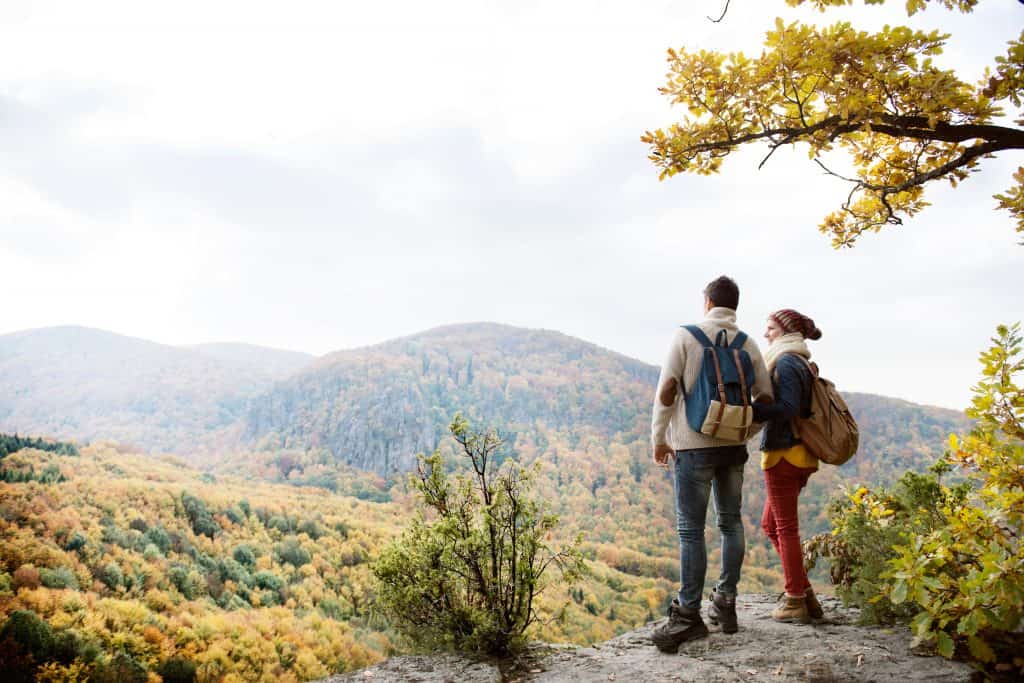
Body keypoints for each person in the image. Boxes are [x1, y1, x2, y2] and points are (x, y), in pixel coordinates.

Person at [650, 275, 773, 652]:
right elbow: (766, 400)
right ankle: (727, 601)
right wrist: (743, 431)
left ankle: (688, 614)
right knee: (731, 523)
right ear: (734, 306)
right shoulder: (747, 343)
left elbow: (667, 392)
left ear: (707, 303)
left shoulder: (686, 337)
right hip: (732, 449)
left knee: (691, 530)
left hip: (692, 448)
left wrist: (659, 438)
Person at [752, 308, 825, 623]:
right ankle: (805, 593)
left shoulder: (785, 361)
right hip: (799, 454)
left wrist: (750, 410)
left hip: (784, 454)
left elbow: (788, 407)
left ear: (783, 330)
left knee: (785, 528)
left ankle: (795, 598)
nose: (766, 333)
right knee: (771, 525)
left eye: (769, 327)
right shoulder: (801, 361)